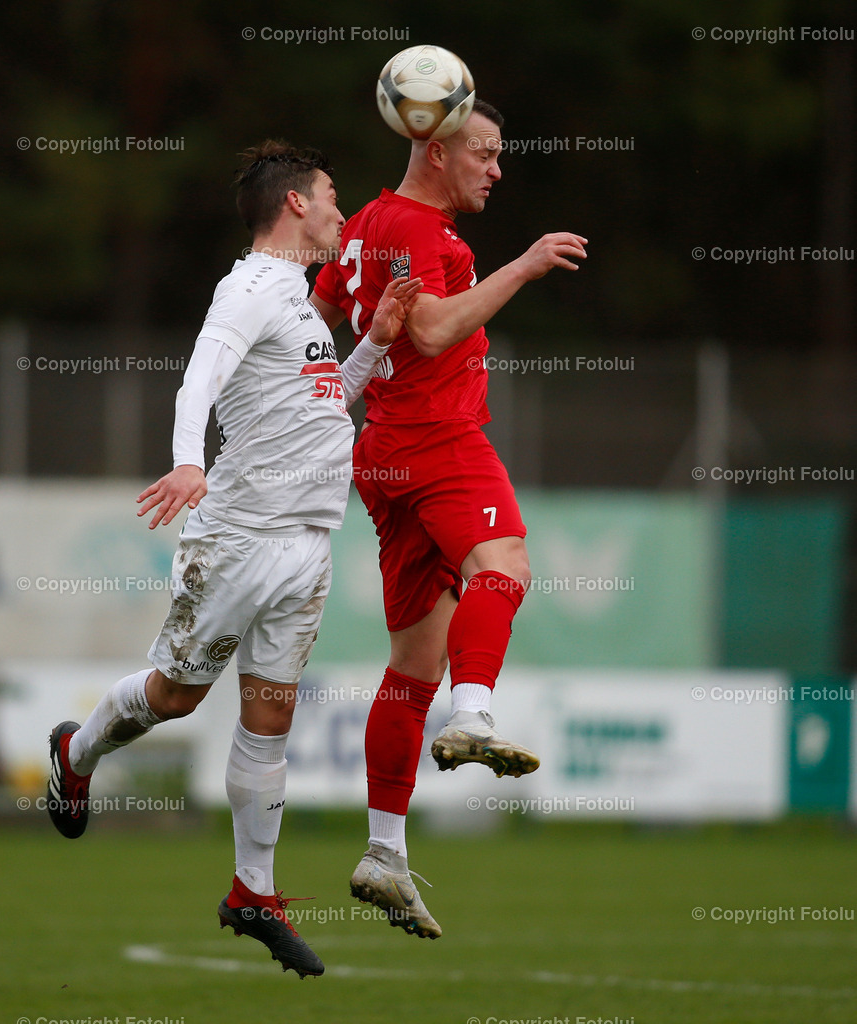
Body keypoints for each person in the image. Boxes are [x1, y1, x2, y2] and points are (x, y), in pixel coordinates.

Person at [46, 139, 421, 979]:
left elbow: (322, 403)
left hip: (307, 543)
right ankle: (77, 753)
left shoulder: (298, 303)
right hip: (243, 537)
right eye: (329, 195)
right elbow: (198, 378)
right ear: (295, 204)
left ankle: (253, 893)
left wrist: (374, 345)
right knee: (176, 696)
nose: (338, 209)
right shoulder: (249, 287)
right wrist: (190, 460)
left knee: (272, 716)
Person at [311, 100, 588, 939]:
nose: (497, 169)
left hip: (386, 448)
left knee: (409, 666)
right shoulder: (421, 230)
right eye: (485, 153)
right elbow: (430, 332)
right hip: (438, 439)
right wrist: (525, 266)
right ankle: (473, 720)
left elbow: (319, 312)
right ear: (436, 151)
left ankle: (384, 853)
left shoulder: (362, 224)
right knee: (505, 566)